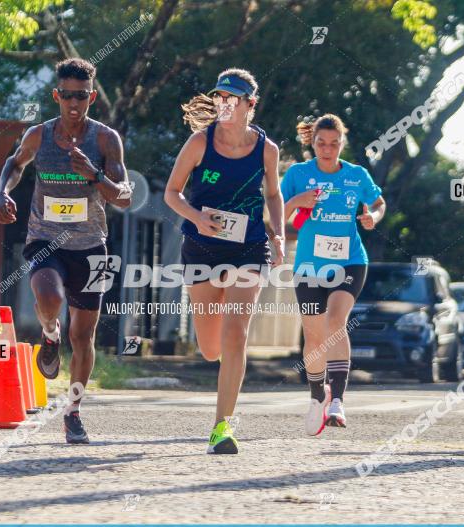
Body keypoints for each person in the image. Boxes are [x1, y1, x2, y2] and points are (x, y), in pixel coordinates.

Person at [0, 58, 131, 444]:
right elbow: (13, 163)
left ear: (92, 98)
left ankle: (73, 412)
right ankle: (49, 332)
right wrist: (2, 191)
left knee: (84, 336)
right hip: (45, 237)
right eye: (67, 95)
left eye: (82, 96)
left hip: (92, 246)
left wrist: (95, 174)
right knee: (50, 296)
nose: (74, 103)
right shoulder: (40, 135)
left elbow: (123, 197)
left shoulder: (106, 140)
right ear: (56, 95)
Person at [164, 68, 285, 454]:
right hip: (202, 247)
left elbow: (273, 195)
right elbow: (171, 192)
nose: (225, 104)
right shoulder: (200, 143)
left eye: (234, 99)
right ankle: (220, 400)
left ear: (252, 104)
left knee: (236, 334)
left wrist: (277, 232)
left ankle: (222, 428)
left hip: (249, 248)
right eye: (220, 98)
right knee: (210, 348)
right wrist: (197, 216)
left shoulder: (267, 150)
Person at [281, 114, 385, 435]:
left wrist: (374, 218)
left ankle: (338, 400)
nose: (327, 149)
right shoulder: (298, 174)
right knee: (314, 336)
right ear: (312, 143)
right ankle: (317, 396)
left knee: (335, 323)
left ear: (342, 143)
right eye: (321, 143)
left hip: (350, 261)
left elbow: (379, 203)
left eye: (334, 143)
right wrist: (298, 200)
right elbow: (274, 215)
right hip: (310, 266)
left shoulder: (356, 175)